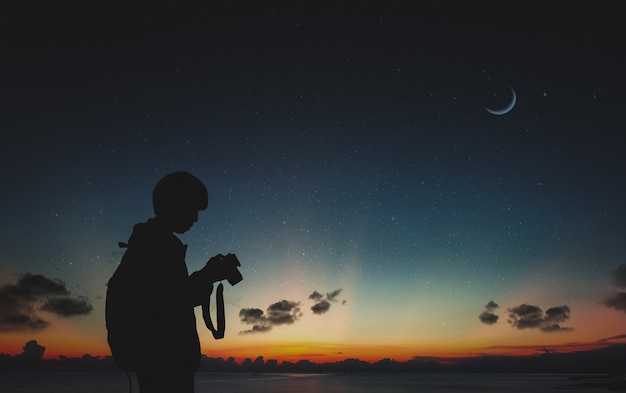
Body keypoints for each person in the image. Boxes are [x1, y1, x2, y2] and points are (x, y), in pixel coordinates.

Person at [106, 171, 233, 393]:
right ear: (174, 205)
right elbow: (169, 303)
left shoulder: (153, 243)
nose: (195, 218)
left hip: (162, 362)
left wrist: (206, 275)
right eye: (192, 209)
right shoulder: (154, 247)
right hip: (164, 364)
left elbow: (170, 295)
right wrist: (208, 276)